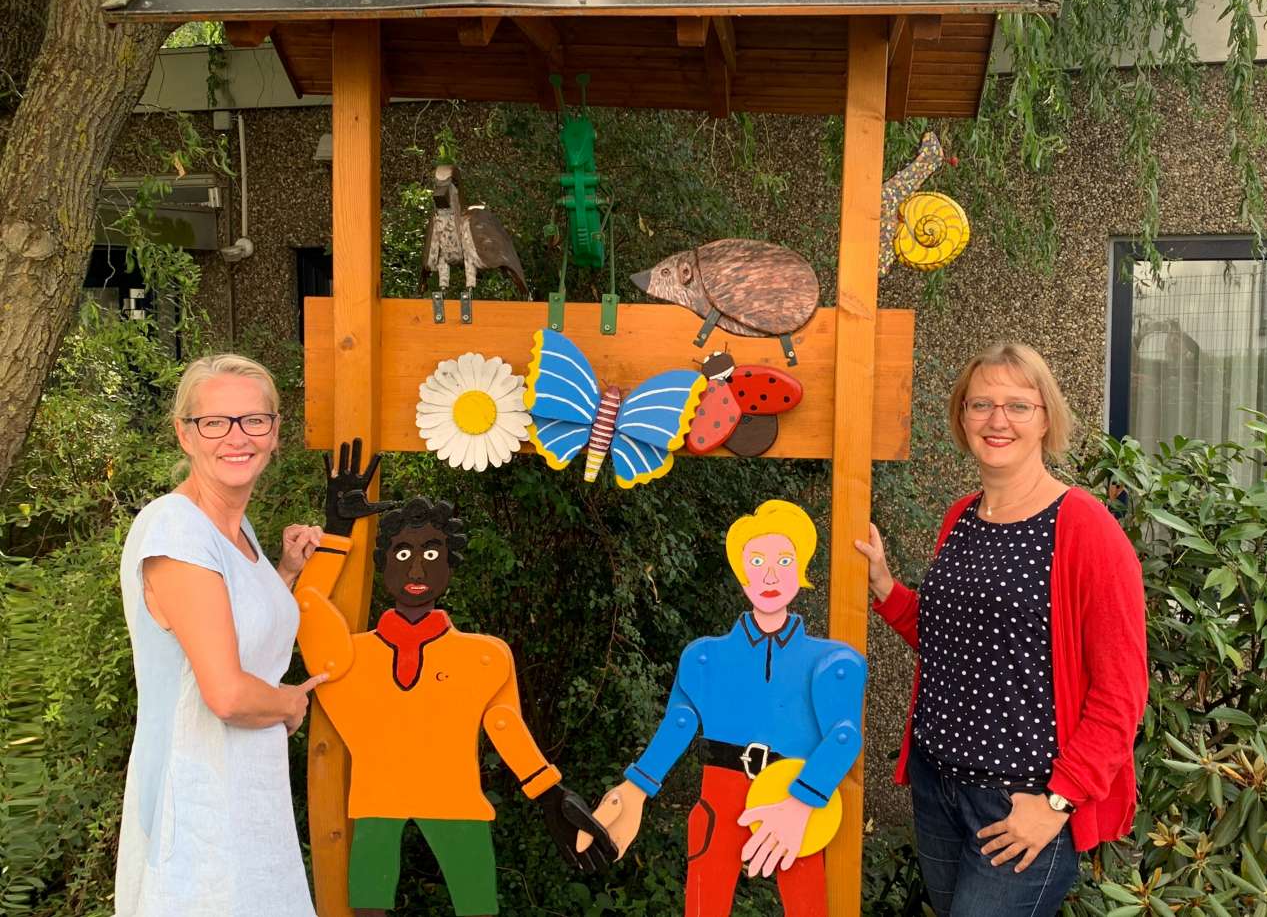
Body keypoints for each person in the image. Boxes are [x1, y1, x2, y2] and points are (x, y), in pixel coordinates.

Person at [857, 343, 1147, 917]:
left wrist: (1058, 802)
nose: (998, 420)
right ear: (962, 417)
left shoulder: (1085, 527)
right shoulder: (962, 516)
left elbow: (1122, 691)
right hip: (938, 789)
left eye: (1018, 405)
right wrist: (887, 589)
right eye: (981, 404)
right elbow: (959, 644)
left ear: (1045, 419)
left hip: (1020, 804)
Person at [294, 440, 615, 916]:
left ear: (451, 565)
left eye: (432, 553)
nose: (416, 567)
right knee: (368, 906)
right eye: (402, 553)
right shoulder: (348, 658)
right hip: (375, 808)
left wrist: (551, 796)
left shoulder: (483, 657)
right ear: (383, 564)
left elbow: (505, 726)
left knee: (477, 908)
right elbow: (305, 605)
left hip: (458, 806)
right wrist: (338, 531)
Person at [583, 500, 867, 917]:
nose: (770, 575)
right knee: (705, 904)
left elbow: (843, 736)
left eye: (784, 560)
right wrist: (634, 789)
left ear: (801, 566)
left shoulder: (833, 662)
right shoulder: (704, 657)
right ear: (741, 570)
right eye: (757, 561)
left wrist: (801, 802)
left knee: (807, 905)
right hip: (719, 797)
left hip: (795, 791)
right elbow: (680, 721)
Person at [115, 354, 326, 916]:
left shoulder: (236, 530)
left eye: (253, 420)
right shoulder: (176, 528)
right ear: (185, 434)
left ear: (275, 432)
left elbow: (232, 625)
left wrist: (284, 572)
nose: (237, 437)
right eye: (215, 422)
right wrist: (289, 704)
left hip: (247, 801)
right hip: (196, 816)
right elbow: (228, 693)